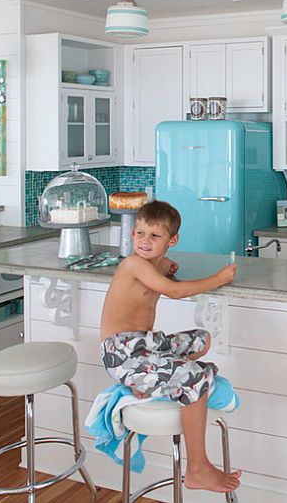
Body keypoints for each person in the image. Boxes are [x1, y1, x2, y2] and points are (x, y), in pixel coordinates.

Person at [100, 200, 241, 493]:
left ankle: (151, 381)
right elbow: (175, 291)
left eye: (154, 236)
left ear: (171, 240)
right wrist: (219, 278)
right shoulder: (133, 263)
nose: (144, 241)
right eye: (139, 233)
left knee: (202, 339)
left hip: (143, 347)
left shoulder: (153, 264)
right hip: (122, 353)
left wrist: (165, 265)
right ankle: (197, 468)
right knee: (196, 377)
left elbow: (165, 274)